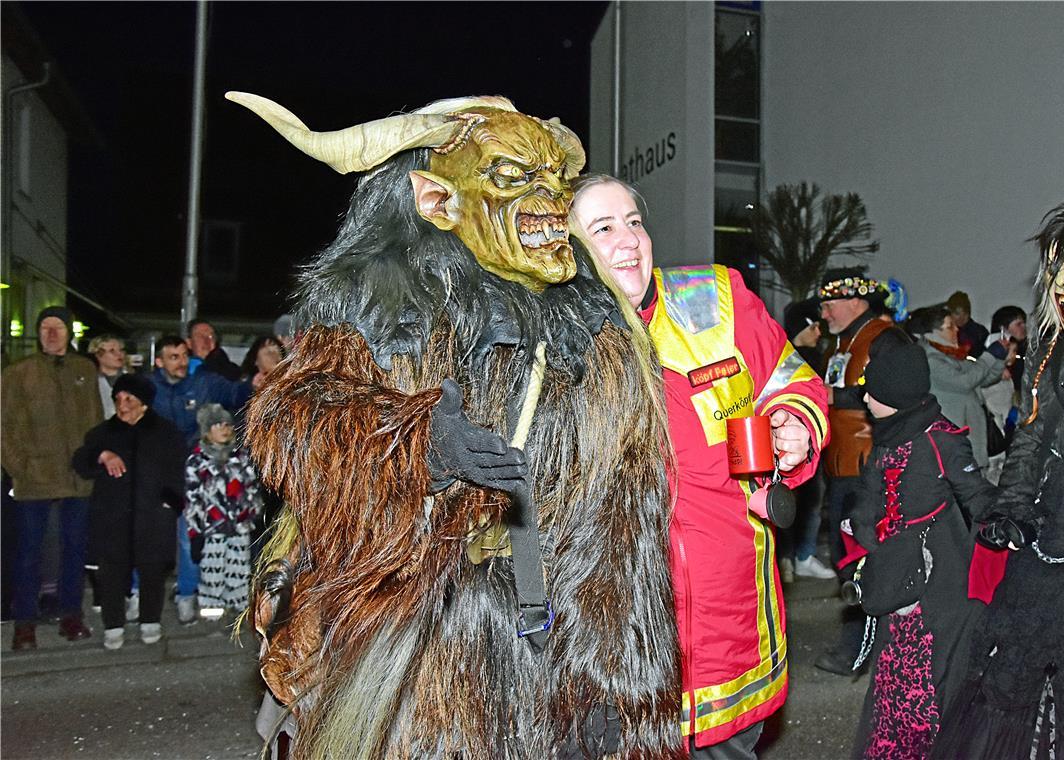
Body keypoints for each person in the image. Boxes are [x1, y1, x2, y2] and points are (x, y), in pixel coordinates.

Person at [231, 92, 681, 757]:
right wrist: (416, 445)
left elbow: (619, 524)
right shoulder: (377, 308)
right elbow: (294, 426)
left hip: (545, 643)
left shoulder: (600, 334)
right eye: (514, 178)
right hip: (407, 641)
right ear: (438, 201)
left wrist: (613, 685)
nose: (552, 200)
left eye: (557, 181)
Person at [571, 174, 829, 757]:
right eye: (603, 228)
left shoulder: (714, 298)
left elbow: (793, 381)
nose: (629, 239)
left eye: (635, 223)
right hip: (613, 639)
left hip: (728, 623)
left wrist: (795, 424)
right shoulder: (555, 342)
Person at [934, 199, 1064, 758]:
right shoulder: (1048, 352)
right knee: (1026, 663)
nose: (1060, 284)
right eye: (1054, 270)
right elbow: (1030, 436)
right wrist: (1013, 505)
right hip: (1057, 528)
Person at [841, 338, 997, 758]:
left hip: (939, 580)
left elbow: (976, 493)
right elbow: (870, 491)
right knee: (894, 669)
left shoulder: (940, 439)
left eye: (874, 391)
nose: (866, 398)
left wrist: (1003, 523)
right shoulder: (889, 435)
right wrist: (862, 526)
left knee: (934, 673)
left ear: (898, 395)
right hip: (897, 574)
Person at [814, 268, 907, 677]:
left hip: (867, 467)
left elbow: (895, 392)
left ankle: (860, 648)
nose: (822, 311)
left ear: (856, 300)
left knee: (861, 561)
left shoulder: (884, 337)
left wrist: (829, 393)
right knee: (846, 559)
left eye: (829, 302)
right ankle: (868, 645)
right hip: (841, 465)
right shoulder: (842, 340)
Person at [1, 306, 104, 650]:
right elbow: (4, 427)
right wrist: (20, 468)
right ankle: (25, 623)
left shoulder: (84, 370)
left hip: (76, 478)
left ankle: (71, 615)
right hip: (34, 480)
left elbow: (95, 421)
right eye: (45, 328)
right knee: (28, 552)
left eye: (57, 327)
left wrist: (90, 462)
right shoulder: (19, 373)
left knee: (74, 549)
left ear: (68, 332)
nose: (51, 334)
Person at [71, 374, 187, 649]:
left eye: (129, 399)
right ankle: (113, 625)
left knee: (152, 570)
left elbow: (177, 470)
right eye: (118, 399)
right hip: (112, 516)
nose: (122, 405)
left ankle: (150, 620)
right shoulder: (102, 434)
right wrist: (102, 455)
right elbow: (81, 461)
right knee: (111, 571)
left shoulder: (166, 432)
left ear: (144, 403)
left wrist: (169, 504)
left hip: (153, 515)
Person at [150, 335, 251, 624]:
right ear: (159, 362)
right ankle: (136, 594)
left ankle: (187, 594)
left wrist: (253, 385)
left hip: (194, 474)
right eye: (174, 357)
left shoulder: (203, 382)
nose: (182, 362)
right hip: (159, 473)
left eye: (184, 355)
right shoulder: (149, 388)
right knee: (149, 536)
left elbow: (235, 393)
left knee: (188, 536)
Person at [184, 404, 263, 619]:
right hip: (212, 524)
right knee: (213, 565)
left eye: (228, 425)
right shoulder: (198, 460)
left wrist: (253, 511)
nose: (225, 429)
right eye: (218, 425)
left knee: (239, 564)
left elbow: (251, 486)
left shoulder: (241, 457)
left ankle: (238, 602)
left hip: (239, 523)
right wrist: (195, 529)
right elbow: (193, 497)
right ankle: (211, 606)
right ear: (207, 431)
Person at [778, 299, 836, 583]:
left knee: (801, 500)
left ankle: (795, 558)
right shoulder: (794, 358)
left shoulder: (811, 356)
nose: (818, 333)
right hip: (794, 441)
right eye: (813, 327)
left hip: (809, 441)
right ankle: (796, 557)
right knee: (803, 501)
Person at [908, 304, 1006, 470]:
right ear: (934, 332)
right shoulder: (931, 360)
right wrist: (990, 356)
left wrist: (1000, 358)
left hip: (969, 433)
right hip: (955, 438)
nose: (957, 330)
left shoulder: (952, 355)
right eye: (950, 327)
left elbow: (984, 379)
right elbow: (966, 382)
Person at [981, 305, 1028, 483]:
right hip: (998, 431)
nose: (1024, 328)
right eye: (1018, 324)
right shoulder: (991, 373)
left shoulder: (1024, 355)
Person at [88, 334, 129, 419]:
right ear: (98, 355)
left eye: (121, 350)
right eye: (112, 351)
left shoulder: (134, 379)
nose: (119, 354)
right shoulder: (90, 381)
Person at [945, 290, 989, 358]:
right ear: (950, 313)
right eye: (957, 314)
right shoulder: (945, 333)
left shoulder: (980, 332)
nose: (961, 318)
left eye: (965, 314)